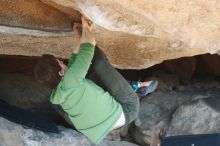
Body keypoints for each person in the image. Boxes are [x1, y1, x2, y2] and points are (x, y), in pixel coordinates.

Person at [34, 16, 139, 144]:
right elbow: (89, 46)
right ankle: (134, 87)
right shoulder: (71, 80)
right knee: (97, 61)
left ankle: (132, 85)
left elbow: (75, 62)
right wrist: (86, 27)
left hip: (107, 126)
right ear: (61, 72)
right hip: (128, 108)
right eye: (60, 62)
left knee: (94, 77)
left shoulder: (59, 94)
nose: (62, 61)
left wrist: (79, 36)